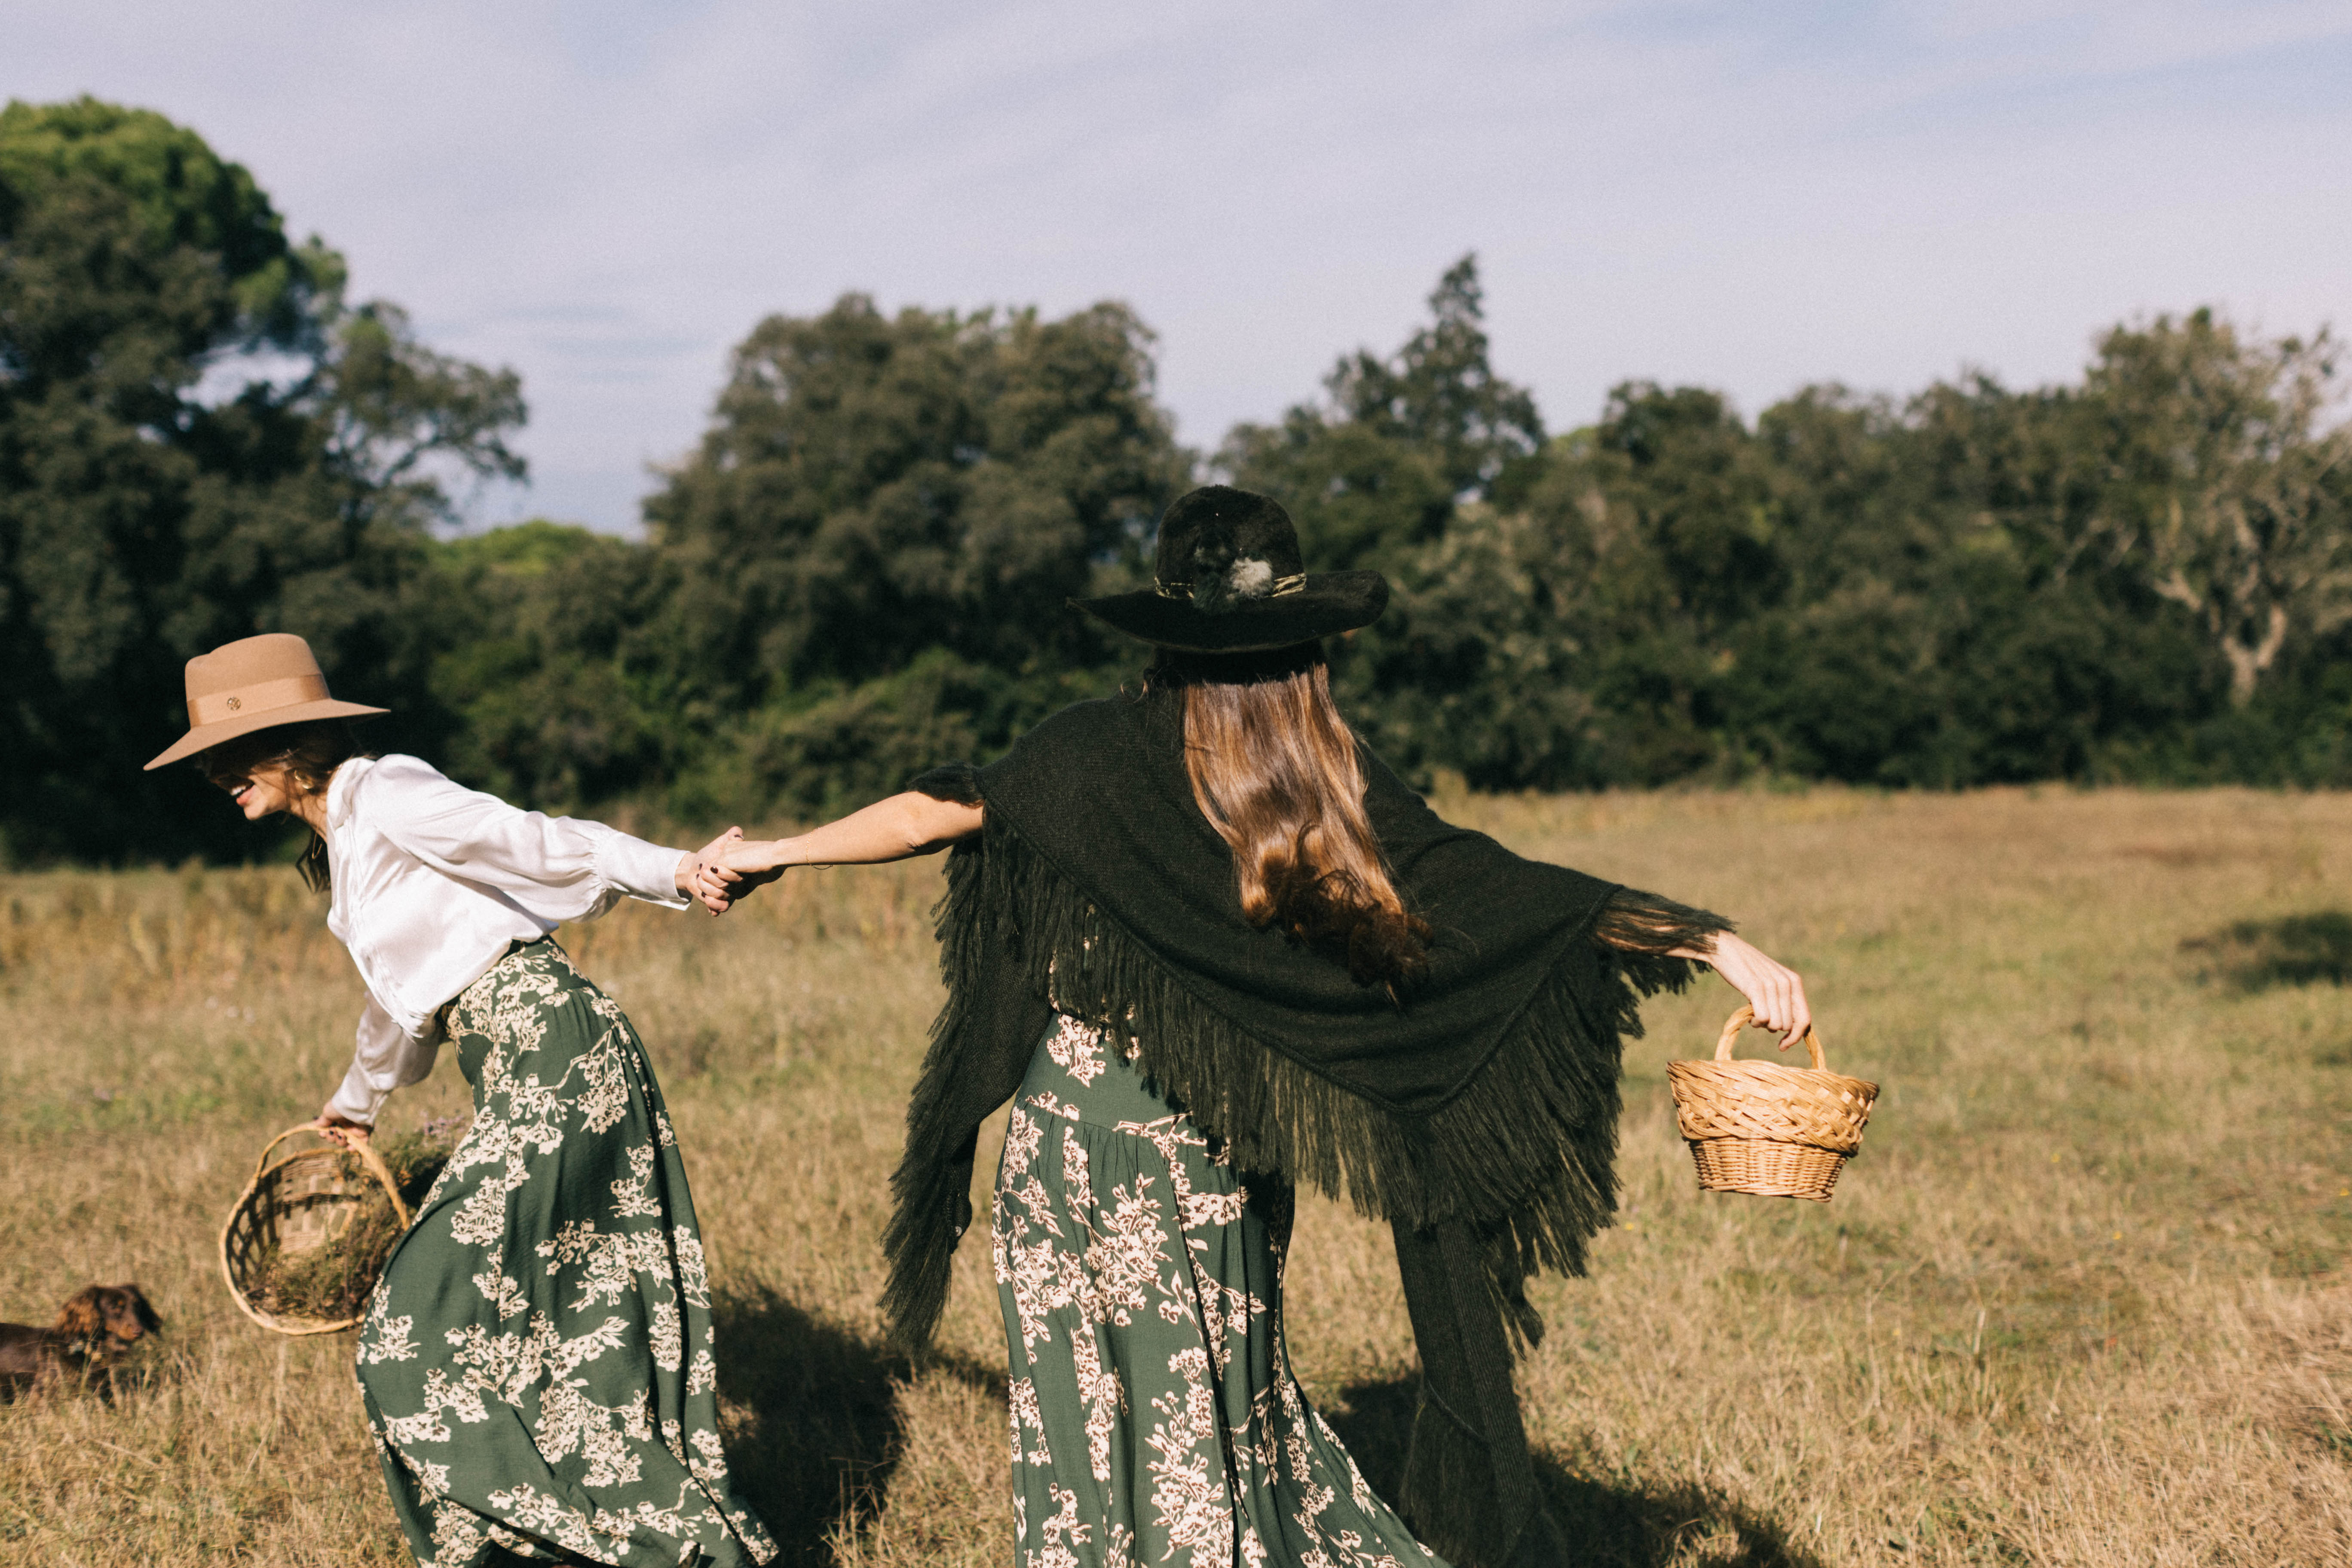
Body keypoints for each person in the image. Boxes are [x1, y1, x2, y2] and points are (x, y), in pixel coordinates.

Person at [713, 487, 1810, 1568]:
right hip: (1209, 1160)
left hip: (1062, 1155)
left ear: (1165, 634)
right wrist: (1707, 942)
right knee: (1214, 1425)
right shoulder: (1322, 776)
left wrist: (776, 851)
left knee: (1087, 1431)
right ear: (1305, 647)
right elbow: (1494, 890)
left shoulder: (1080, 756)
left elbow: (926, 813)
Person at [145, 633, 776, 1568]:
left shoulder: (385, 790)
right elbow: (408, 1000)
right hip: (519, 1064)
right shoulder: (345, 844)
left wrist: (674, 868)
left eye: (226, 757)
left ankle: (637, 1549)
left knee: (406, 1334)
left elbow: (529, 839)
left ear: (287, 744)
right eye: (203, 766)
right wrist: (355, 1104)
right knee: (563, 1330)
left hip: (557, 1056)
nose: (216, 778)